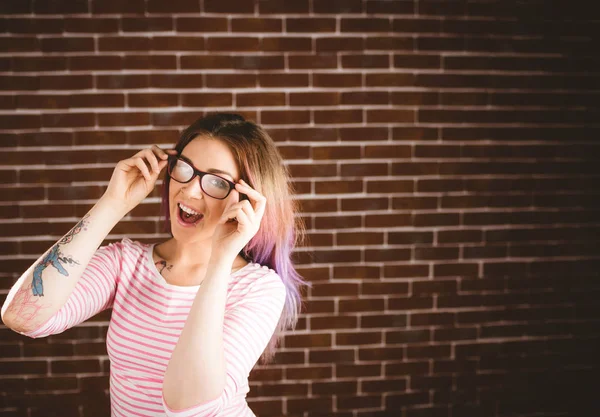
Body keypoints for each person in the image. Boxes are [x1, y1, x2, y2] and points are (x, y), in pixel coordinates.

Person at [1, 112, 308, 416]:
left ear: (248, 200)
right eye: (184, 168)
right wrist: (113, 203)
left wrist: (220, 260)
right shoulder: (126, 264)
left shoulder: (259, 287)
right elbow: (22, 316)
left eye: (216, 182)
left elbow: (188, 405)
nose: (188, 190)